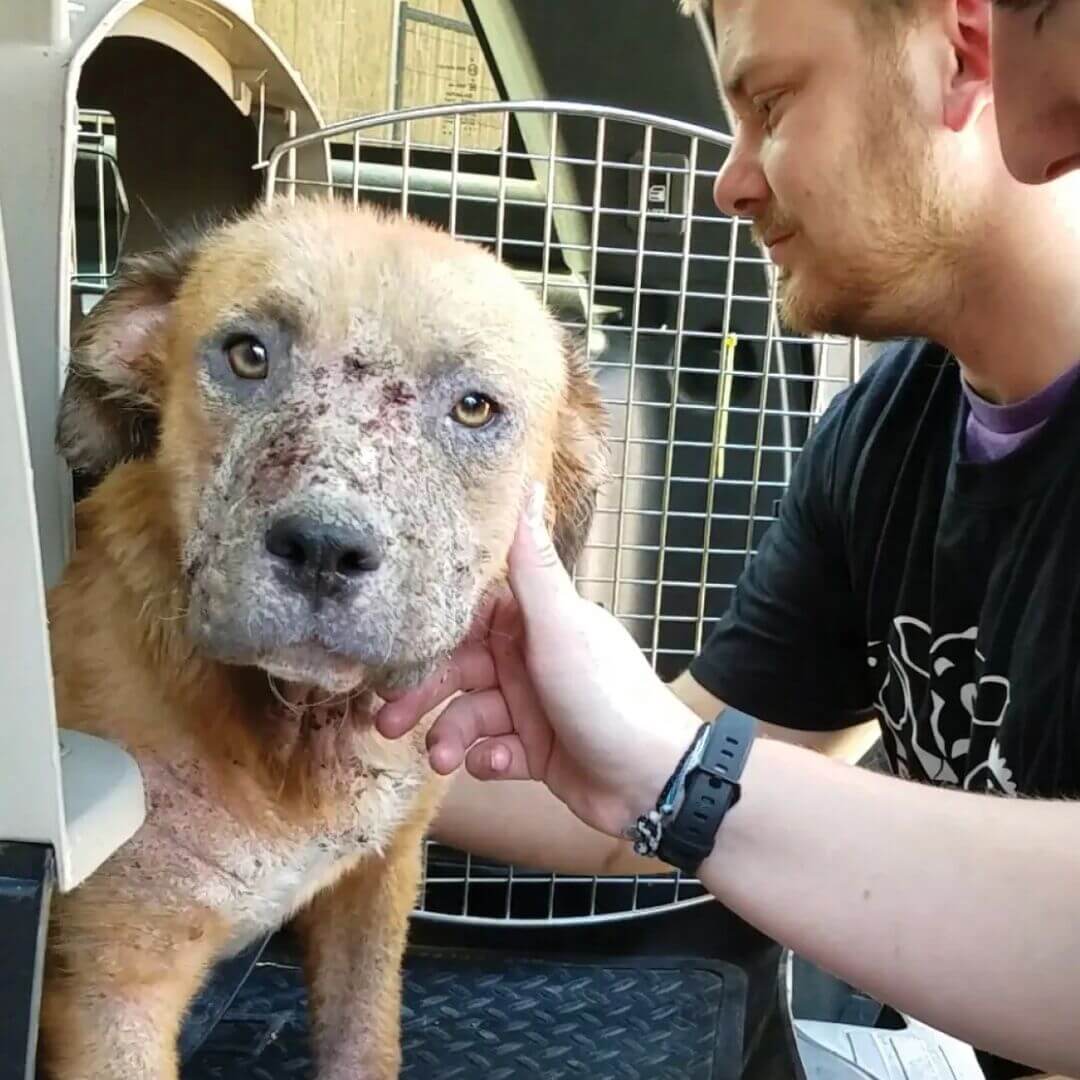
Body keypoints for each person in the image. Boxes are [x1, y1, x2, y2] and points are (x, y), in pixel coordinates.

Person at [379, 0, 1080, 1076]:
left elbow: (684, 778)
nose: (731, 180)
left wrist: (681, 775)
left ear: (965, 51)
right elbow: (636, 793)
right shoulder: (882, 438)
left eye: (772, 103)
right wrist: (315, 737)